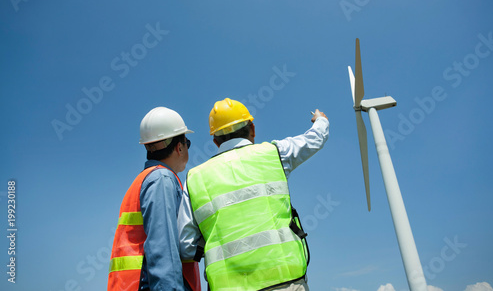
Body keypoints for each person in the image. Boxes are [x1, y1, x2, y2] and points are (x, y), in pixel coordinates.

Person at [178, 98, 329, 291]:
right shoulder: (274, 153)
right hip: (286, 282)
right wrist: (320, 120)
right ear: (253, 130)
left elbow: (186, 247)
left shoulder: (194, 179)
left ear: (215, 141)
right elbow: (315, 139)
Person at [108, 107, 200, 291]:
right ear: (179, 147)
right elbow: (162, 249)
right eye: (187, 143)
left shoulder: (145, 180)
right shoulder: (162, 179)